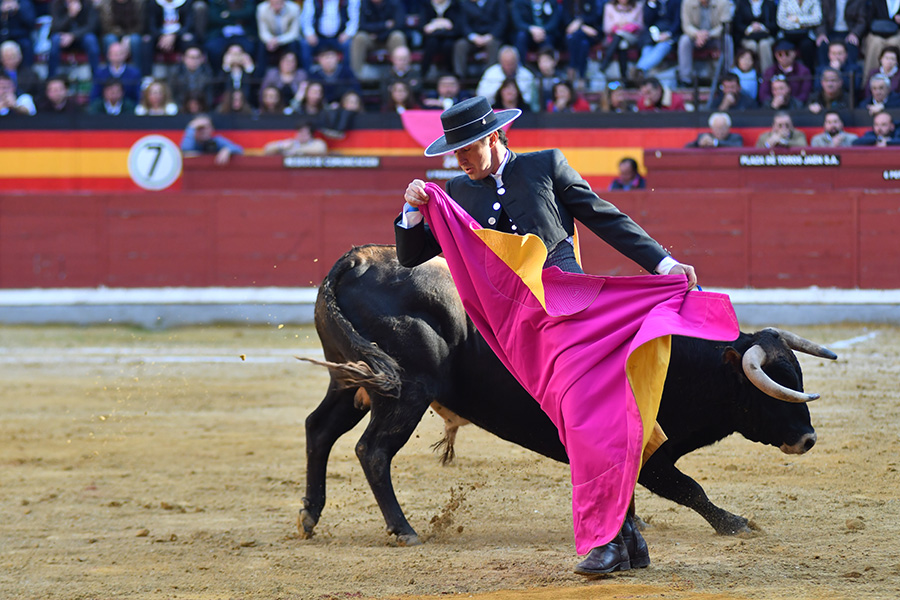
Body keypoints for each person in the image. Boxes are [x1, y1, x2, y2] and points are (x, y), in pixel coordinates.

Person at [395, 95, 702, 576]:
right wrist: (413, 212)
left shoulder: (545, 167)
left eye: (466, 148)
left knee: (583, 421)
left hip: (571, 311)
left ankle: (607, 540)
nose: (458, 159)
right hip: (519, 334)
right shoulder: (454, 191)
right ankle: (628, 538)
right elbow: (412, 256)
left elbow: (603, 217)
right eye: (454, 152)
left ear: (492, 137)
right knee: (579, 425)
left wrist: (663, 264)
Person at [676, 0, 731, 86]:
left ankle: (728, 76)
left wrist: (708, 35)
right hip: (695, 37)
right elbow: (686, 26)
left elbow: (724, 26)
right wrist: (697, 34)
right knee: (684, 40)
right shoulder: (687, 2)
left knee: (727, 39)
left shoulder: (723, 2)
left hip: (714, 37)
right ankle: (685, 79)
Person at [351, 0, 406, 80]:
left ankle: (400, 77)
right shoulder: (364, 3)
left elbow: (399, 24)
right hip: (371, 39)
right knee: (359, 38)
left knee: (398, 36)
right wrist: (384, 25)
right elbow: (362, 26)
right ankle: (356, 77)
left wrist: (379, 35)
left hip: (388, 38)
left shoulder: (394, 2)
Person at [300, 0, 360, 70]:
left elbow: (354, 20)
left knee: (348, 44)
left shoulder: (349, 1)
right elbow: (306, 20)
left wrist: (347, 34)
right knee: (305, 43)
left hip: (339, 38)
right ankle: (307, 76)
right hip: (319, 38)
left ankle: (346, 76)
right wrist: (310, 34)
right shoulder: (312, 1)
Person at [454, 0, 506, 80]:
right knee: (460, 45)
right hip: (472, 38)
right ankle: (460, 78)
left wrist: (490, 36)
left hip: (491, 37)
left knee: (493, 45)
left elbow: (502, 21)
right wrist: (473, 37)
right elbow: (463, 24)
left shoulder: (497, 2)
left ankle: (490, 77)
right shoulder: (464, 3)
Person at [48, 0, 102, 77]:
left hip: (81, 38)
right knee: (55, 39)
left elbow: (92, 27)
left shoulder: (88, 4)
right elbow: (56, 27)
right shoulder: (56, 4)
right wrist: (70, 15)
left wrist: (73, 35)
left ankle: (97, 78)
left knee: (91, 39)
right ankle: (51, 78)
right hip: (63, 39)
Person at [814, 0, 866, 72]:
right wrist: (821, 33)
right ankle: (823, 74)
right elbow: (821, 19)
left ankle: (850, 76)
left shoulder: (858, 1)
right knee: (822, 45)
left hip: (849, 32)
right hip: (830, 32)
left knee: (852, 45)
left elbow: (862, 20)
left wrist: (855, 33)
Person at [98, 0, 148, 76]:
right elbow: (106, 27)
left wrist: (127, 38)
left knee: (135, 40)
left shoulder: (138, 3)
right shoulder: (106, 4)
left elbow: (140, 25)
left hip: (133, 33)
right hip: (113, 33)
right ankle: (109, 75)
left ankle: (138, 75)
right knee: (109, 39)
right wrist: (122, 38)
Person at [635, 0, 682, 78]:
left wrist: (668, 34)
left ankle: (638, 70)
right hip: (652, 37)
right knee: (646, 49)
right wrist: (652, 3)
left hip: (670, 36)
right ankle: (642, 77)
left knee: (661, 47)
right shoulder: (652, 3)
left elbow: (678, 22)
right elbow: (648, 22)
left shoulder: (676, 2)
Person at [255, 0, 303, 73]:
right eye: (274, 3)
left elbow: (294, 33)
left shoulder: (294, 8)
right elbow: (263, 32)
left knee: (295, 45)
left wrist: (278, 40)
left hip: (286, 39)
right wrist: (270, 40)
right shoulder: (262, 8)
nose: (277, 5)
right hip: (270, 40)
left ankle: (296, 74)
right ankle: (260, 76)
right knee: (261, 46)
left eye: (279, 2)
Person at [759, 39, 813, 104]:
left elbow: (805, 93)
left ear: (794, 53)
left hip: (797, 109)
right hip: (774, 108)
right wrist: (772, 103)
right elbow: (763, 94)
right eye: (780, 54)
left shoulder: (803, 71)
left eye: (787, 53)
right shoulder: (769, 71)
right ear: (776, 55)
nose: (784, 57)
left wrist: (791, 104)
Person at [562, 0, 602, 83]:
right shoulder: (566, 2)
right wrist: (579, 27)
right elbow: (564, 19)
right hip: (573, 34)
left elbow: (594, 17)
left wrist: (580, 24)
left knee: (577, 36)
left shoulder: (592, 1)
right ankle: (581, 76)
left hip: (589, 33)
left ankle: (572, 66)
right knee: (583, 44)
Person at [775, 0, 822, 71]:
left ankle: (809, 73)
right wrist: (801, 25)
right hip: (787, 34)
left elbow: (817, 19)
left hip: (806, 35)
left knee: (807, 46)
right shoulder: (784, 1)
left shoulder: (814, 1)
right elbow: (781, 21)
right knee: (783, 47)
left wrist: (798, 19)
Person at [733, 0, 776, 73]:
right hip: (747, 37)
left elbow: (775, 23)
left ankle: (767, 74)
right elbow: (737, 24)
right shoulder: (742, 4)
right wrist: (750, 28)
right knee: (751, 45)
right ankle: (753, 73)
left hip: (766, 36)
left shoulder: (769, 4)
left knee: (764, 45)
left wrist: (762, 27)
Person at [861, 0, 900, 80]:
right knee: (875, 43)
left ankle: (896, 81)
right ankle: (870, 80)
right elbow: (869, 19)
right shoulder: (876, 1)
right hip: (876, 32)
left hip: (897, 32)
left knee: (895, 42)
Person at [170, 43, 215, 110]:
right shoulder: (176, 72)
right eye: (191, 57)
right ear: (184, 58)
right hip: (180, 109)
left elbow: (210, 96)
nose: (194, 60)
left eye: (197, 57)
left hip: (203, 109)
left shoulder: (208, 73)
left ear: (202, 59)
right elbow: (172, 94)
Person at [0, 0, 36, 67]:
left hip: (20, 36)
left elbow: (31, 24)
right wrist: (1, 12)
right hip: (2, 36)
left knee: (27, 45)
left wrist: (19, 10)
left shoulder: (24, 3)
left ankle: (27, 72)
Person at [263, 118, 328, 155]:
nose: (301, 135)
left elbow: (320, 150)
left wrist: (297, 151)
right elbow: (267, 149)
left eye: (304, 132)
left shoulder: (317, 143)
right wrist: (281, 146)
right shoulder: (290, 143)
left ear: (311, 134)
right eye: (300, 132)